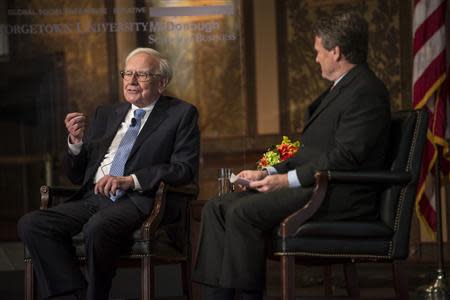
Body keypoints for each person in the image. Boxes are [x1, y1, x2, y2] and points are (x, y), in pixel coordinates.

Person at [192, 10, 391, 300]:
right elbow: (306, 148)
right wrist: (268, 172)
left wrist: (285, 181)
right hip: (315, 186)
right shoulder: (341, 89)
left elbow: (346, 157)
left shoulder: (366, 90)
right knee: (216, 207)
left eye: (318, 51)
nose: (316, 58)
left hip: (338, 194)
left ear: (335, 52)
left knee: (241, 212)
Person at [18, 47, 200, 300]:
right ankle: (74, 294)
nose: (132, 81)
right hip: (94, 198)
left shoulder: (180, 114)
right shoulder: (106, 113)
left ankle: (96, 295)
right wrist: (76, 142)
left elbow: (184, 169)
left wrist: (131, 180)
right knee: (32, 223)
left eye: (142, 75)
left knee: (98, 227)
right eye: (128, 74)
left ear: (162, 82)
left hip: (138, 200)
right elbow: (76, 175)